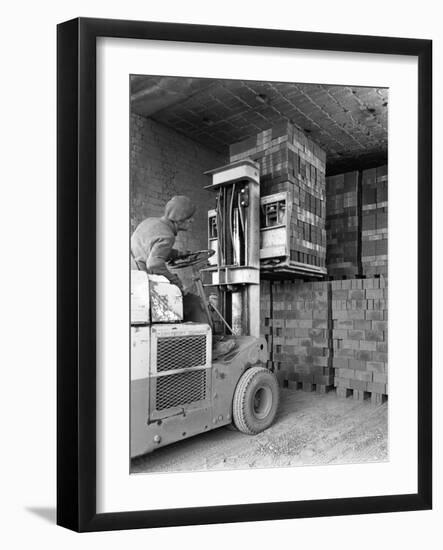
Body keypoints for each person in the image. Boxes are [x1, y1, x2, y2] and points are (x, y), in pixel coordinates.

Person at [131, 195, 207, 323]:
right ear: (179, 220)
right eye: (189, 218)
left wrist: (178, 254)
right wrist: (175, 281)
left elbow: (150, 249)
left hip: (133, 278)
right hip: (143, 284)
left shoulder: (150, 222)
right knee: (193, 303)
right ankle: (203, 339)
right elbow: (154, 264)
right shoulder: (167, 235)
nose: (192, 221)